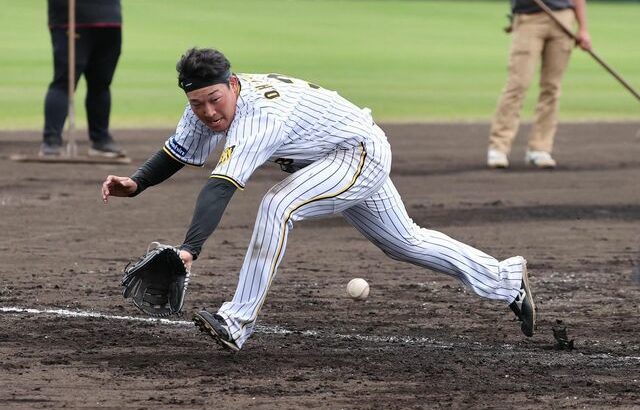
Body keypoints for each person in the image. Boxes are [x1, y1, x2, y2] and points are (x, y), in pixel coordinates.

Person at [101, 48, 536, 352]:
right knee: (405, 242)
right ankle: (504, 280)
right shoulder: (203, 103)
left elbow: (220, 185)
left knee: (278, 205)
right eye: (197, 103)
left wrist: (189, 250)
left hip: (357, 152)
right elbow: (178, 151)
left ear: (233, 84)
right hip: (332, 157)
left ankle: (236, 321)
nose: (208, 112)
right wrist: (137, 183)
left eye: (215, 100)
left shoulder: (258, 116)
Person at [487, 0, 592, 169]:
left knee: (552, 88)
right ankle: (498, 147)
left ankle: (540, 148)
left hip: (563, 18)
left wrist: (583, 29)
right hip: (529, 18)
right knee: (518, 85)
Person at [41, 0, 125, 158]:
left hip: (110, 21)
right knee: (64, 82)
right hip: (72, 20)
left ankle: (101, 140)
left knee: (101, 83)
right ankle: (51, 141)